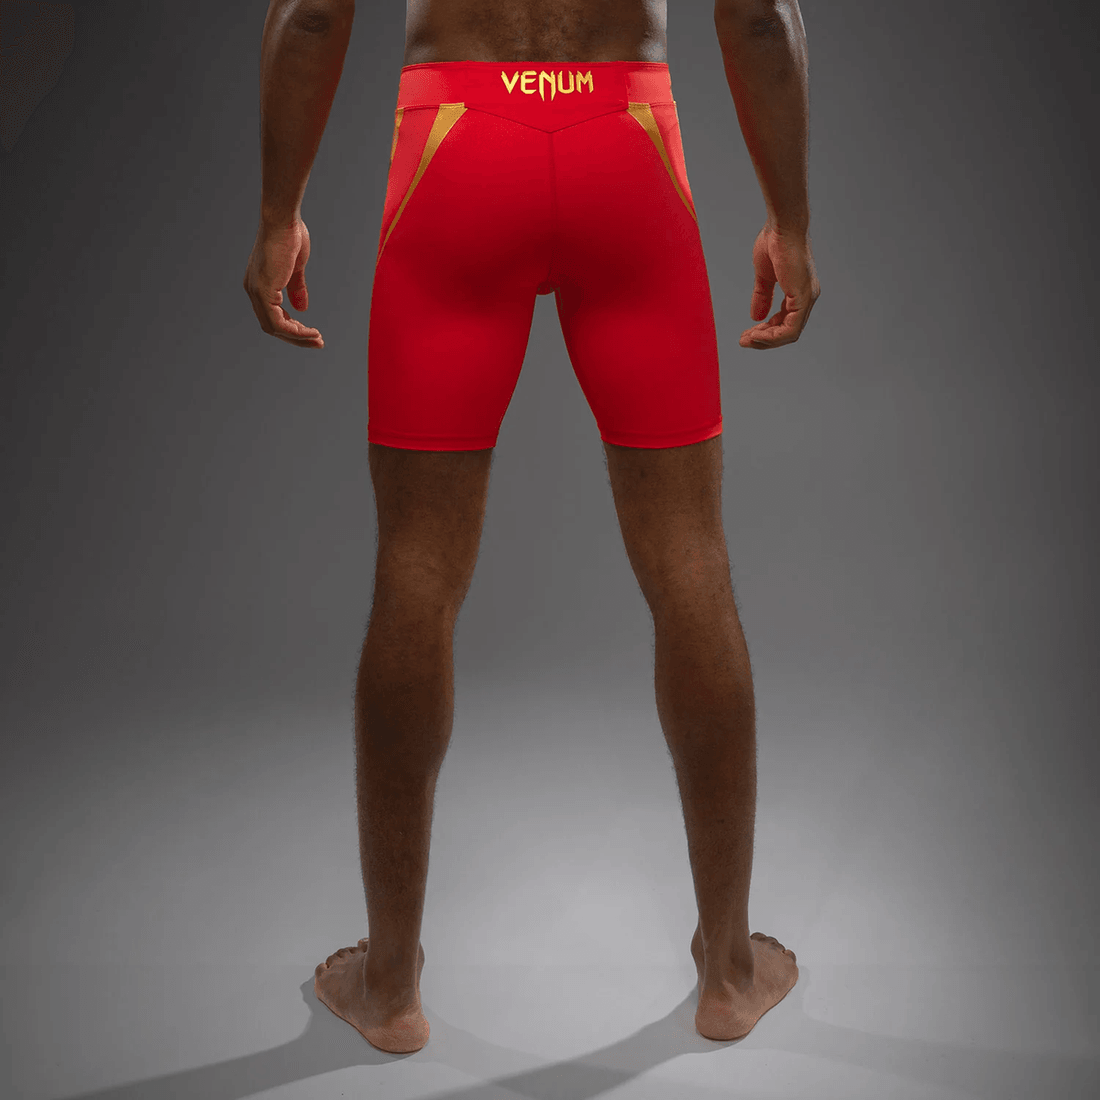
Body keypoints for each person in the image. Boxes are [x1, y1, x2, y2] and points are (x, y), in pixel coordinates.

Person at [243, 0, 820, 1055]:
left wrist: (279, 211)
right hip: (625, 146)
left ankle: (388, 985)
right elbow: (758, 19)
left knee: (416, 569)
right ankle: (730, 974)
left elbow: (314, 13)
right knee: (689, 558)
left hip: (456, 147)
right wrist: (792, 219)